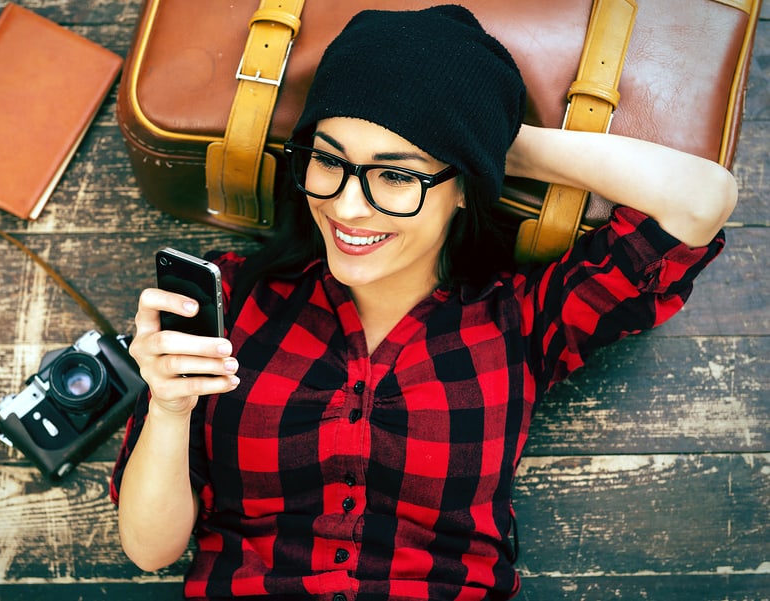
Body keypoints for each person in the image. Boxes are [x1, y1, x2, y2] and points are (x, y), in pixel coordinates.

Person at [110, 5, 736, 600]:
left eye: (398, 174)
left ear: (464, 188)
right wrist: (167, 408)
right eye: (329, 161)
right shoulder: (233, 300)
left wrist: (491, 147)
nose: (347, 207)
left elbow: (702, 199)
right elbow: (150, 549)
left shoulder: (522, 322)